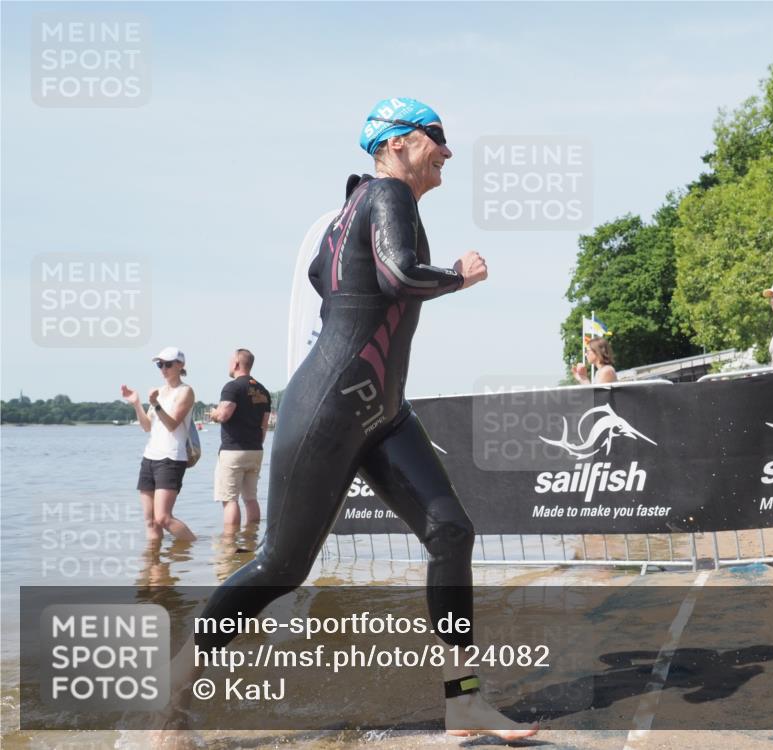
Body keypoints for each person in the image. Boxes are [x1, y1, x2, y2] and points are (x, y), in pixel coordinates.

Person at [155, 98, 535, 745]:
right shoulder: (388, 194)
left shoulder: (354, 207)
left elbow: (324, 274)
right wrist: (458, 276)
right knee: (281, 565)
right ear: (398, 143)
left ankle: (465, 701)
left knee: (450, 532)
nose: (447, 151)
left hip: (382, 411)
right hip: (331, 408)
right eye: (436, 137)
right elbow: (398, 274)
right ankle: (174, 687)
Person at [121, 347, 196, 543]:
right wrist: (137, 403)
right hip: (150, 457)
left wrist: (155, 403)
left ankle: (195, 549)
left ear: (180, 365)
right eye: (160, 365)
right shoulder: (159, 392)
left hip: (171, 458)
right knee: (151, 521)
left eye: (168, 364)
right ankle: (154, 561)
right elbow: (147, 426)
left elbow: (172, 424)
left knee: (163, 517)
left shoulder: (186, 391)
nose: (163, 369)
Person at [209, 348, 271, 531]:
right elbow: (265, 424)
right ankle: (251, 538)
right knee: (250, 498)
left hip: (233, 450)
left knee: (230, 500)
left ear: (236, 363)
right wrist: (258, 443)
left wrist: (214, 414)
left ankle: (230, 541)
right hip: (256, 450)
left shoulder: (232, 387)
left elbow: (224, 414)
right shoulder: (263, 390)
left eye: (230, 361)